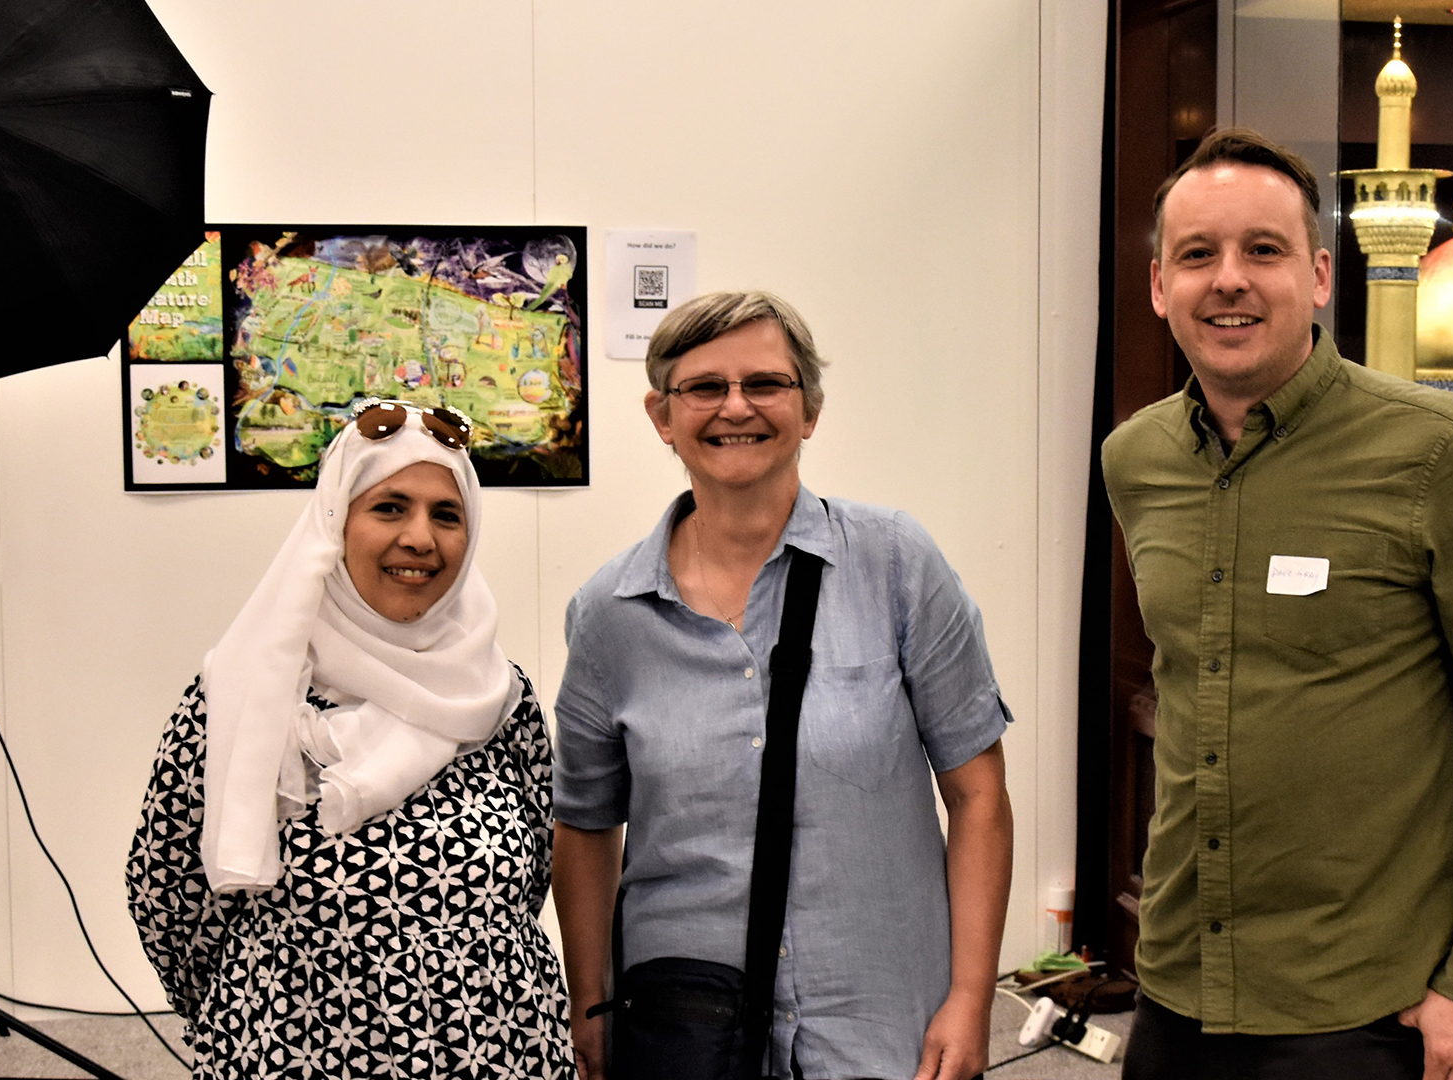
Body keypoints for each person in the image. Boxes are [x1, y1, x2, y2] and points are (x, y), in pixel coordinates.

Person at [1102, 128, 1453, 1080]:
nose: (1229, 280)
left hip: (1371, 1010)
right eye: (1197, 255)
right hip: (1176, 991)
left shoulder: (1442, 454)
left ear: (1321, 275)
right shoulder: (1138, 459)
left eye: (1264, 250)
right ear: (1161, 286)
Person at [552, 291, 1015, 1080]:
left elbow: (978, 796)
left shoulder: (896, 564)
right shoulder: (608, 616)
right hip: (687, 1030)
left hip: (880, 1022)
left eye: (765, 383)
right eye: (705, 387)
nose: (737, 407)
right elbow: (587, 827)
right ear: (662, 416)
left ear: (810, 411)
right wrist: (587, 1003)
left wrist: (970, 997)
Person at [126, 400, 575, 1079]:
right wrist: (243, 1014)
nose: (420, 538)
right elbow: (168, 893)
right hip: (291, 1056)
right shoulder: (246, 689)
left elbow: (536, 874)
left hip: (500, 1053)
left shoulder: (500, 696)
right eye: (390, 507)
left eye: (445, 514)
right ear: (336, 521)